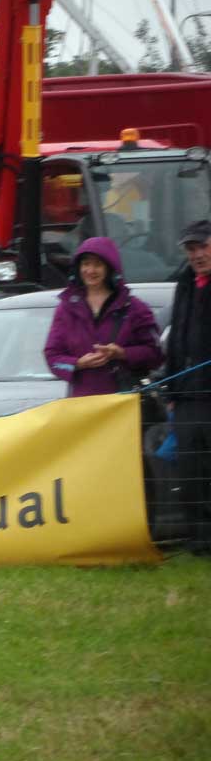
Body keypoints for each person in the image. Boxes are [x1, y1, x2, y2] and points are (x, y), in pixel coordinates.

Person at [43, 236, 162, 398]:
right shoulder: (66, 308)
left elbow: (155, 355)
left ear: (110, 268)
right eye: (86, 264)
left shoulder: (135, 309)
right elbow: (52, 356)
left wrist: (122, 353)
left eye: (97, 264)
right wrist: (77, 364)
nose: (90, 270)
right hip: (82, 407)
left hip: (124, 406)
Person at [163, 219, 211, 554]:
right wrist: (171, 393)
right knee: (191, 471)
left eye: (202, 246)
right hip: (186, 395)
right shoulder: (183, 284)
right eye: (191, 249)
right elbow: (175, 341)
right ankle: (199, 539)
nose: (197, 254)